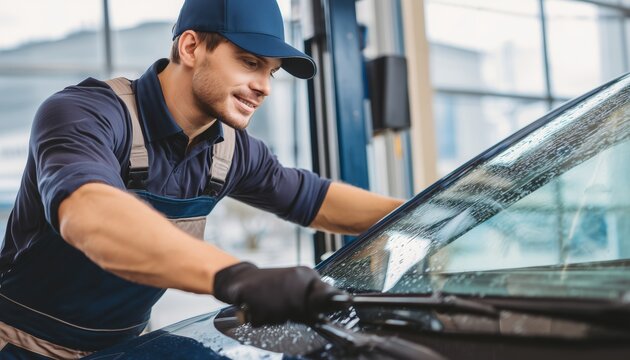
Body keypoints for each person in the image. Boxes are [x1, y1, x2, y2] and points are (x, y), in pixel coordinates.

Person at [0, 0, 404, 358]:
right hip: (22, 342)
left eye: (271, 72)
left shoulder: (232, 150)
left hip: (124, 347)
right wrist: (239, 277)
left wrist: (435, 208)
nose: (263, 87)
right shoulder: (85, 113)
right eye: (249, 62)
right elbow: (91, 214)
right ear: (190, 47)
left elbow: (315, 199)